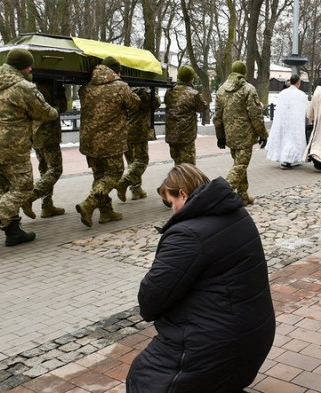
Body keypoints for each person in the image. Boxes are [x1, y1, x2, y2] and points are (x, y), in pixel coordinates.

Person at [126, 164, 275, 392]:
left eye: (171, 202)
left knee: (143, 377)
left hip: (217, 344)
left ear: (183, 195)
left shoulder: (187, 234)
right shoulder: (237, 214)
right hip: (255, 333)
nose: (173, 210)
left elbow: (152, 298)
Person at [0, 48, 60, 252]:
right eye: (29, 66)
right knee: (23, 188)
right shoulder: (23, 87)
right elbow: (44, 113)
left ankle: (13, 232)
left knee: (6, 189)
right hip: (12, 147)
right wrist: (55, 111)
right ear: (25, 67)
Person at [75, 56, 141, 226]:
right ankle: (88, 204)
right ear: (117, 71)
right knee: (114, 174)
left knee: (99, 176)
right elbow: (135, 105)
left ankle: (106, 212)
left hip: (89, 142)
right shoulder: (120, 87)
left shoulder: (85, 88)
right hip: (110, 142)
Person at [213, 61, 268, 205]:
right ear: (243, 73)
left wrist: (220, 137)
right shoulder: (248, 89)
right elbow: (255, 116)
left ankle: (243, 196)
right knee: (239, 166)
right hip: (246, 136)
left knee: (239, 164)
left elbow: (217, 117)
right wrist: (263, 134)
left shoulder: (221, 91)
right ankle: (219, 196)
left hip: (230, 136)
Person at [22, 82, 66, 219]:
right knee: (55, 169)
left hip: (34, 133)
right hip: (49, 134)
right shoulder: (53, 86)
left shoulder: (29, 86)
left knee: (44, 170)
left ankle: (47, 205)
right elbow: (62, 107)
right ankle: (31, 197)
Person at [116, 85, 160, 201]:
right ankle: (124, 182)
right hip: (138, 131)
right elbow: (156, 103)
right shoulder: (143, 92)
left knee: (132, 162)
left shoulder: (122, 90)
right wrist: (150, 91)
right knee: (141, 161)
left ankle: (136, 189)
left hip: (124, 130)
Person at [164, 65, 207, 166]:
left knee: (178, 166)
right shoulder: (193, 93)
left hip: (172, 137)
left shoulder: (169, 92)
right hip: (186, 137)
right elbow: (202, 108)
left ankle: (177, 182)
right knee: (189, 168)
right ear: (191, 78)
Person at [266, 74, 309, 167]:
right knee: (294, 140)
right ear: (298, 82)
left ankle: (285, 158)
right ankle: (290, 159)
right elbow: (306, 109)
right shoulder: (301, 95)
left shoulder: (282, 93)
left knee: (285, 139)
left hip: (284, 121)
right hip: (295, 122)